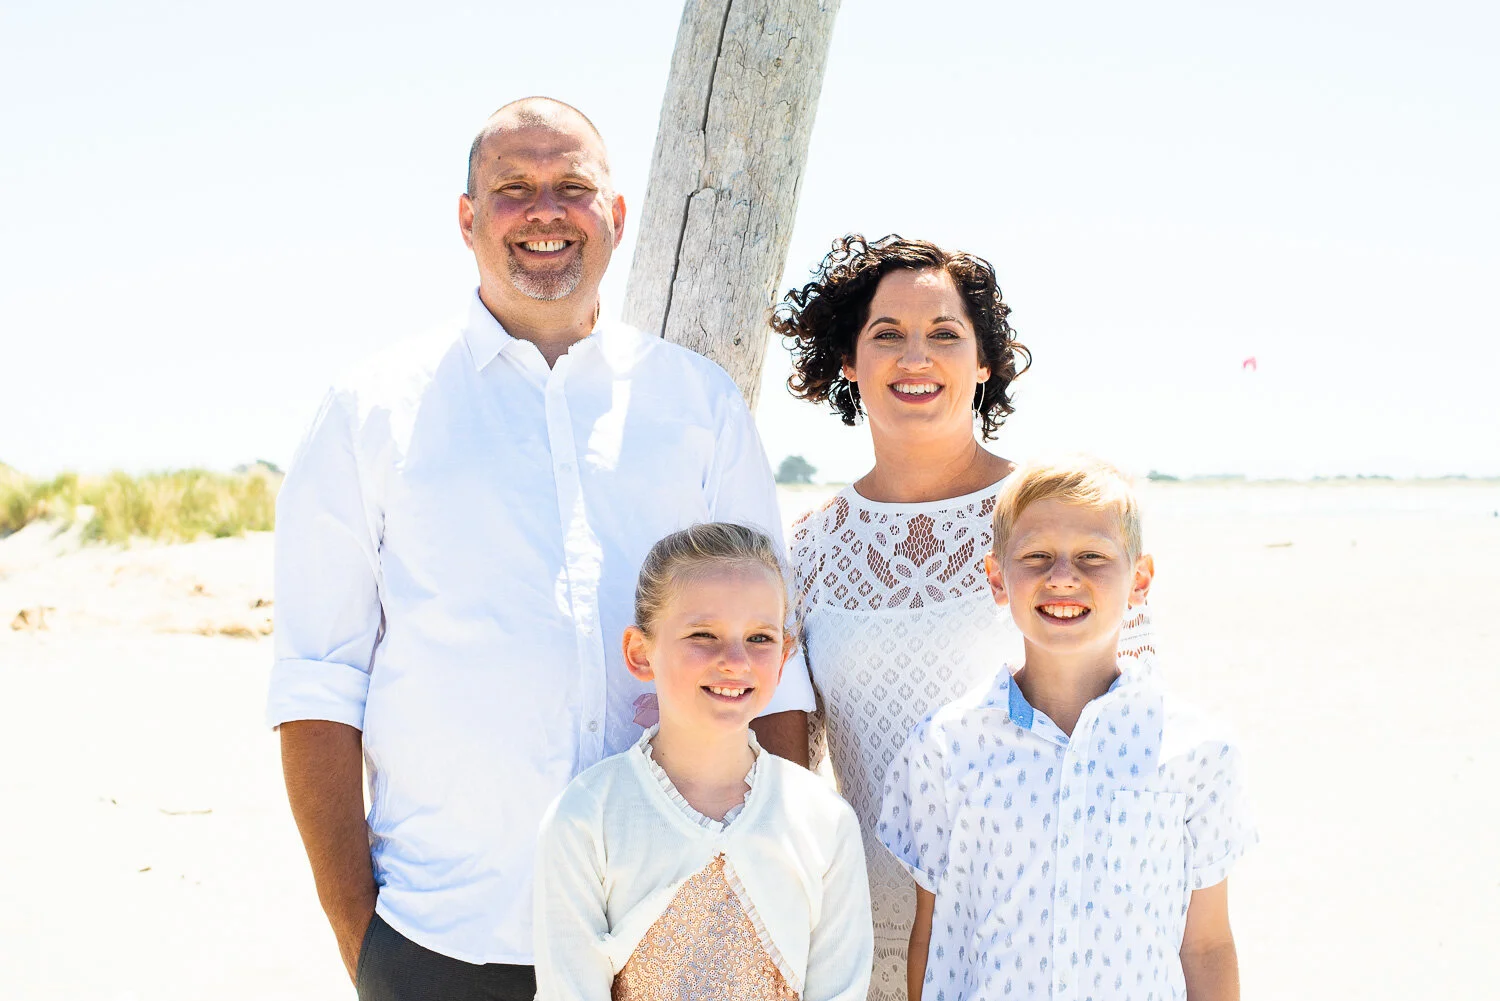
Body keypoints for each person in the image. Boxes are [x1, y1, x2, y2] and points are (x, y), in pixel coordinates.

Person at [266, 97, 813, 1001]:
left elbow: (773, 665)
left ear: (617, 214)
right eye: (514, 188)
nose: (545, 211)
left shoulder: (699, 406)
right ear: (467, 218)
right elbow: (319, 682)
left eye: (572, 186)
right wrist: (359, 933)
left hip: (676, 933)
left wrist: (770, 897)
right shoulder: (370, 411)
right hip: (444, 934)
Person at [774, 234, 1156, 1000]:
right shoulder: (807, 547)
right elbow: (785, 778)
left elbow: (1131, 743)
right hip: (856, 939)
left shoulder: (1058, 522)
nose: (916, 356)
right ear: (848, 359)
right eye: (888, 334)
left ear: (984, 361)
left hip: (1036, 942)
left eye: (945, 333)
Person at [878, 457, 1255, 1001]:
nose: (1061, 577)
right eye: (1036, 556)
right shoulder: (945, 747)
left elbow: (1207, 946)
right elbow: (933, 936)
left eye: (1092, 557)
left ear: (1139, 580)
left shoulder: (1197, 750)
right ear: (997, 578)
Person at [533, 523, 873, 1001]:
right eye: (703, 634)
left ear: (783, 658)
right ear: (640, 653)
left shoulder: (824, 821)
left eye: (759, 638)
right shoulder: (587, 818)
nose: (735, 660)